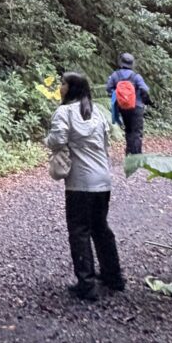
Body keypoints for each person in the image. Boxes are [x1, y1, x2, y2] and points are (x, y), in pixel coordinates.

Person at [46, 72, 126, 301]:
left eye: (63, 83)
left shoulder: (64, 112)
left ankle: (87, 284)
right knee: (100, 228)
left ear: (71, 88)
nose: (60, 87)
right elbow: (105, 140)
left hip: (80, 183)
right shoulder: (97, 112)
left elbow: (57, 140)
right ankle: (113, 277)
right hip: (103, 179)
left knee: (79, 231)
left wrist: (47, 141)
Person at [105, 53, 151, 155]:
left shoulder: (115, 75)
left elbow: (108, 88)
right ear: (132, 63)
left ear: (121, 62)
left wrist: (118, 96)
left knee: (128, 130)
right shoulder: (136, 77)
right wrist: (144, 100)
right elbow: (145, 89)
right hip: (137, 107)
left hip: (123, 107)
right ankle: (136, 155)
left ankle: (128, 153)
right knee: (137, 132)